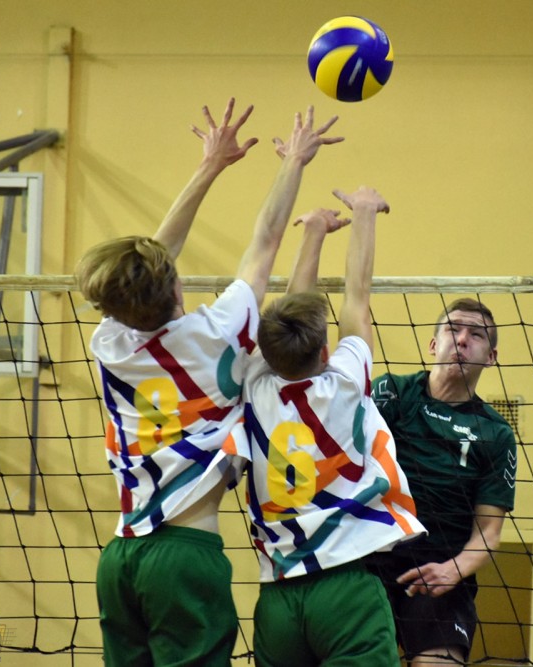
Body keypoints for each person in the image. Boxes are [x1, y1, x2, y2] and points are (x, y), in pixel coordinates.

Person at [75, 99, 343, 667]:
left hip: (119, 556)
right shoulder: (221, 333)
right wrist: (294, 160)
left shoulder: (110, 344)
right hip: (185, 554)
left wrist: (209, 166)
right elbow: (266, 240)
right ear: (176, 287)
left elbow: (149, 262)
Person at [242, 187, 427, 667]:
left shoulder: (253, 388)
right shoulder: (345, 383)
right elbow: (356, 301)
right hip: (345, 583)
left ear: (267, 352)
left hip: (277, 593)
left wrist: (313, 233)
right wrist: (364, 212)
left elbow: (291, 308)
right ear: (325, 351)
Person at [366, 298, 517, 666]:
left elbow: (489, 533)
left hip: (439, 569)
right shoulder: (393, 392)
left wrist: (454, 570)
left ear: (491, 357)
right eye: (453, 329)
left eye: (476, 335)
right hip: (369, 559)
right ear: (434, 344)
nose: (462, 339)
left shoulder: (496, 433)